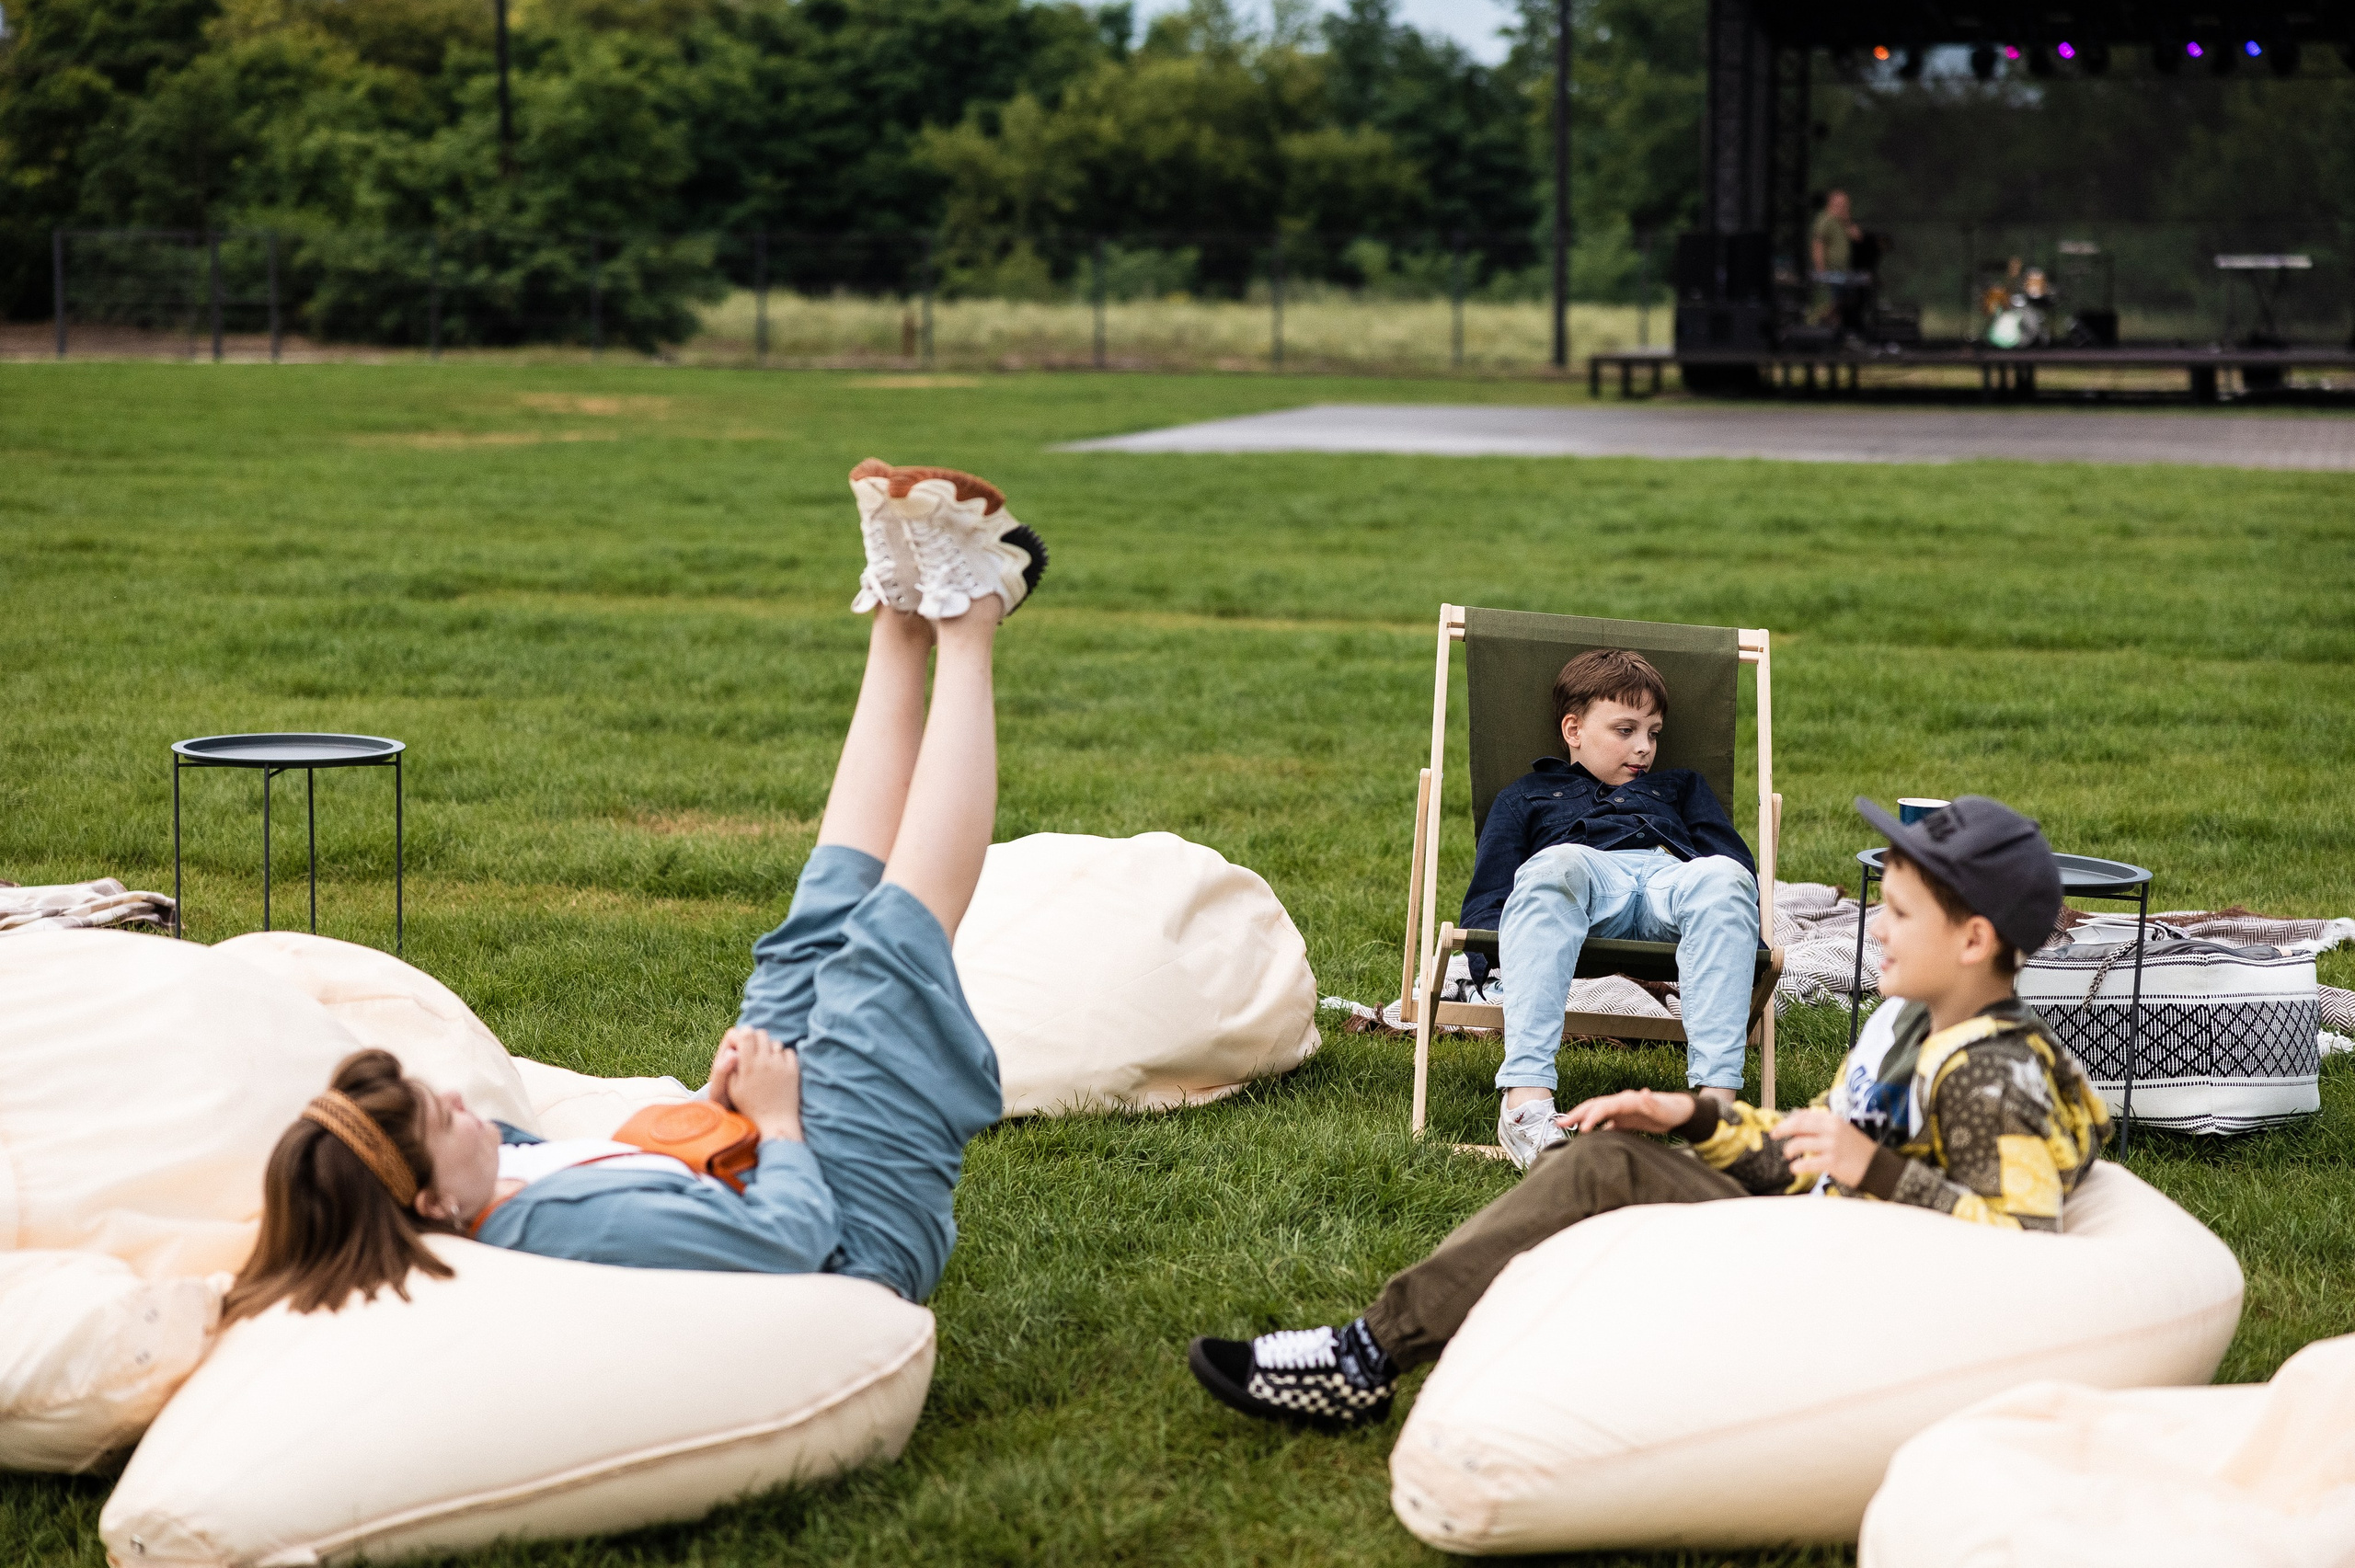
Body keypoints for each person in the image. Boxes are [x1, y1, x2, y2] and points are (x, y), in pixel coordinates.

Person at [223, 458, 1048, 1323]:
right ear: (430, 1203)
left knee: (811, 931)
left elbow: (662, 1182)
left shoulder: (487, 1171)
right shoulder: (547, 1231)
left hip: (753, 1150)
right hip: (855, 1232)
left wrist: (713, 1105)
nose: (467, 1105)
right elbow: (787, 1244)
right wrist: (777, 1123)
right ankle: (973, 614)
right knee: (880, 960)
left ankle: (901, 617)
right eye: (444, 1118)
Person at [1189, 795, 2109, 1431]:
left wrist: (1875, 1170)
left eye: (1900, 915)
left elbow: (2019, 1251)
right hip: (1825, 1232)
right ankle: (1476, 1363)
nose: (1875, 928)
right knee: (1598, 1149)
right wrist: (1689, 1117)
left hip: (1853, 1284)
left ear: (1975, 939)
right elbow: (1800, 1152)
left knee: (1597, 1172)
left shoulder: (1994, 1075)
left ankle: (1364, 1358)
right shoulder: (1910, 1023)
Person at [1455, 648, 1760, 1168]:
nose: (1644, 748)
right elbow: (1492, 888)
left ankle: (1714, 1114)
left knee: (1726, 876)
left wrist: (1743, 939)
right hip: (1587, 884)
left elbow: (1730, 861)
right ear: (1573, 730)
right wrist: (1489, 957)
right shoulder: (1527, 795)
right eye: (1625, 730)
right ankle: (1526, 1104)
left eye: (1654, 733)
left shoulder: (1681, 786)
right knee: (1556, 863)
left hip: (1671, 881)